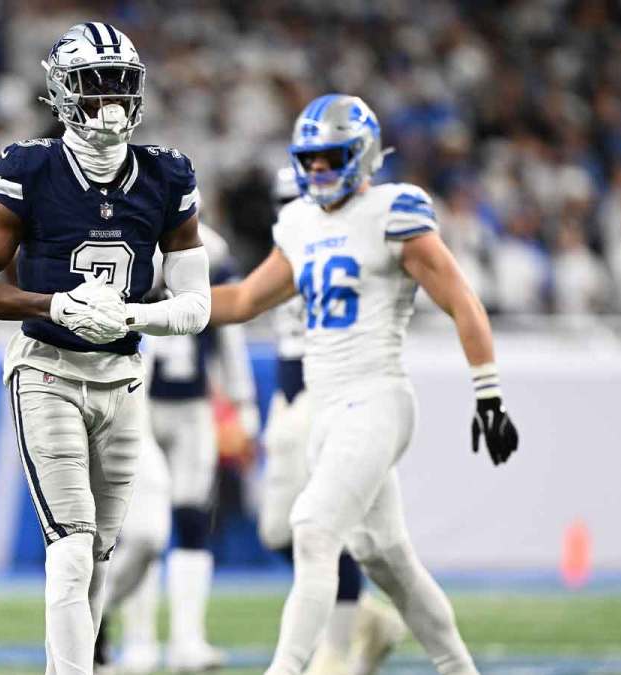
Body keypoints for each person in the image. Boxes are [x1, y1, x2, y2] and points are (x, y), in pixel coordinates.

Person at [209, 95, 519, 675]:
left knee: (312, 528)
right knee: (388, 562)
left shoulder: (394, 209)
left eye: (331, 158)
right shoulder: (299, 222)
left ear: (363, 153)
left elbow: (460, 299)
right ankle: (459, 667)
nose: (319, 170)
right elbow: (246, 299)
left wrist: (489, 393)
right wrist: (150, 307)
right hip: (326, 408)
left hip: (376, 396)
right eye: (312, 160)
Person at [0, 22, 211, 675]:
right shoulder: (31, 168)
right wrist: (52, 305)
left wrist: (130, 314)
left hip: (123, 375)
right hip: (47, 370)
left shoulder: (166, 174)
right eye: (95, 89)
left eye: (121, 88)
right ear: (64, 93)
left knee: (99, 554)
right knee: (70, 546)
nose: (112, 104)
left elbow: (198, 305)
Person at [258, 168, 405, 675]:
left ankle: (336, 652)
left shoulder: (343, 250)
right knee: (279, 530)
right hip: (288, 401)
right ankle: (366, 619)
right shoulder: (292, 250)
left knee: (324, 531)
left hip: (328, 399)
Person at [96, 220, 257, 673]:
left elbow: (228, 328)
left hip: (193, 410)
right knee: (144, 529)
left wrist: (243, 403)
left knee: (190, 519)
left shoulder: (212, 250)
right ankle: (137, 640)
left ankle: (188, 639)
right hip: (137, 407)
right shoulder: (128, 245)